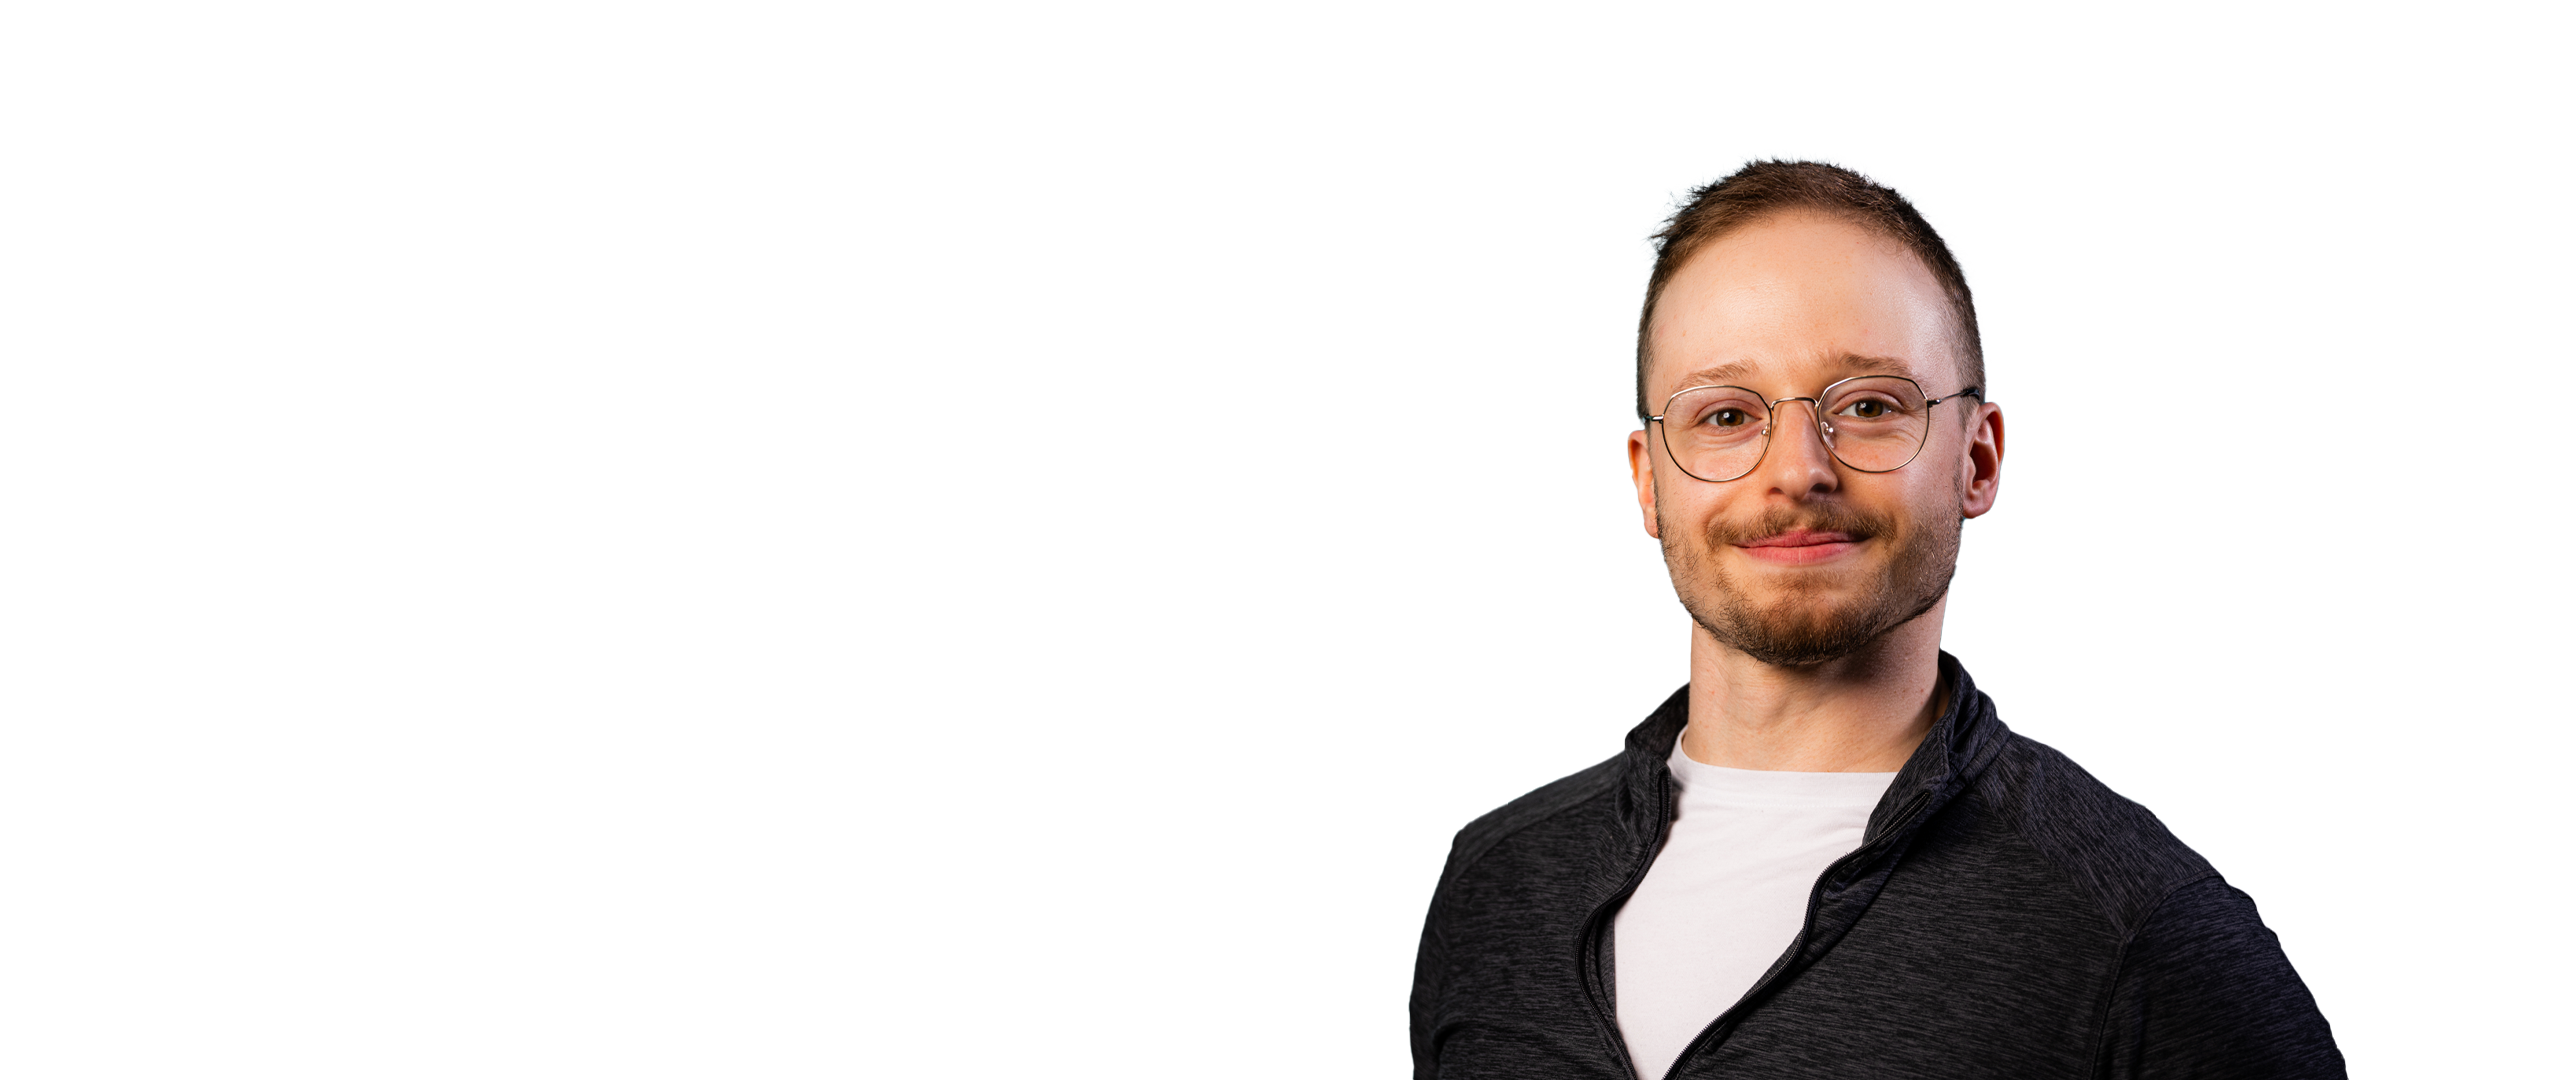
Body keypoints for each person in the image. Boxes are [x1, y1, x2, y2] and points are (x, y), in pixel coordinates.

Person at [1408, 160, 2344, 1079]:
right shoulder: (1497, 881)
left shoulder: (2148, 935)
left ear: (1975, 461)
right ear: (1652, 483)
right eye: (1726, 415)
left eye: (1867, 406)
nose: (1796, 470)